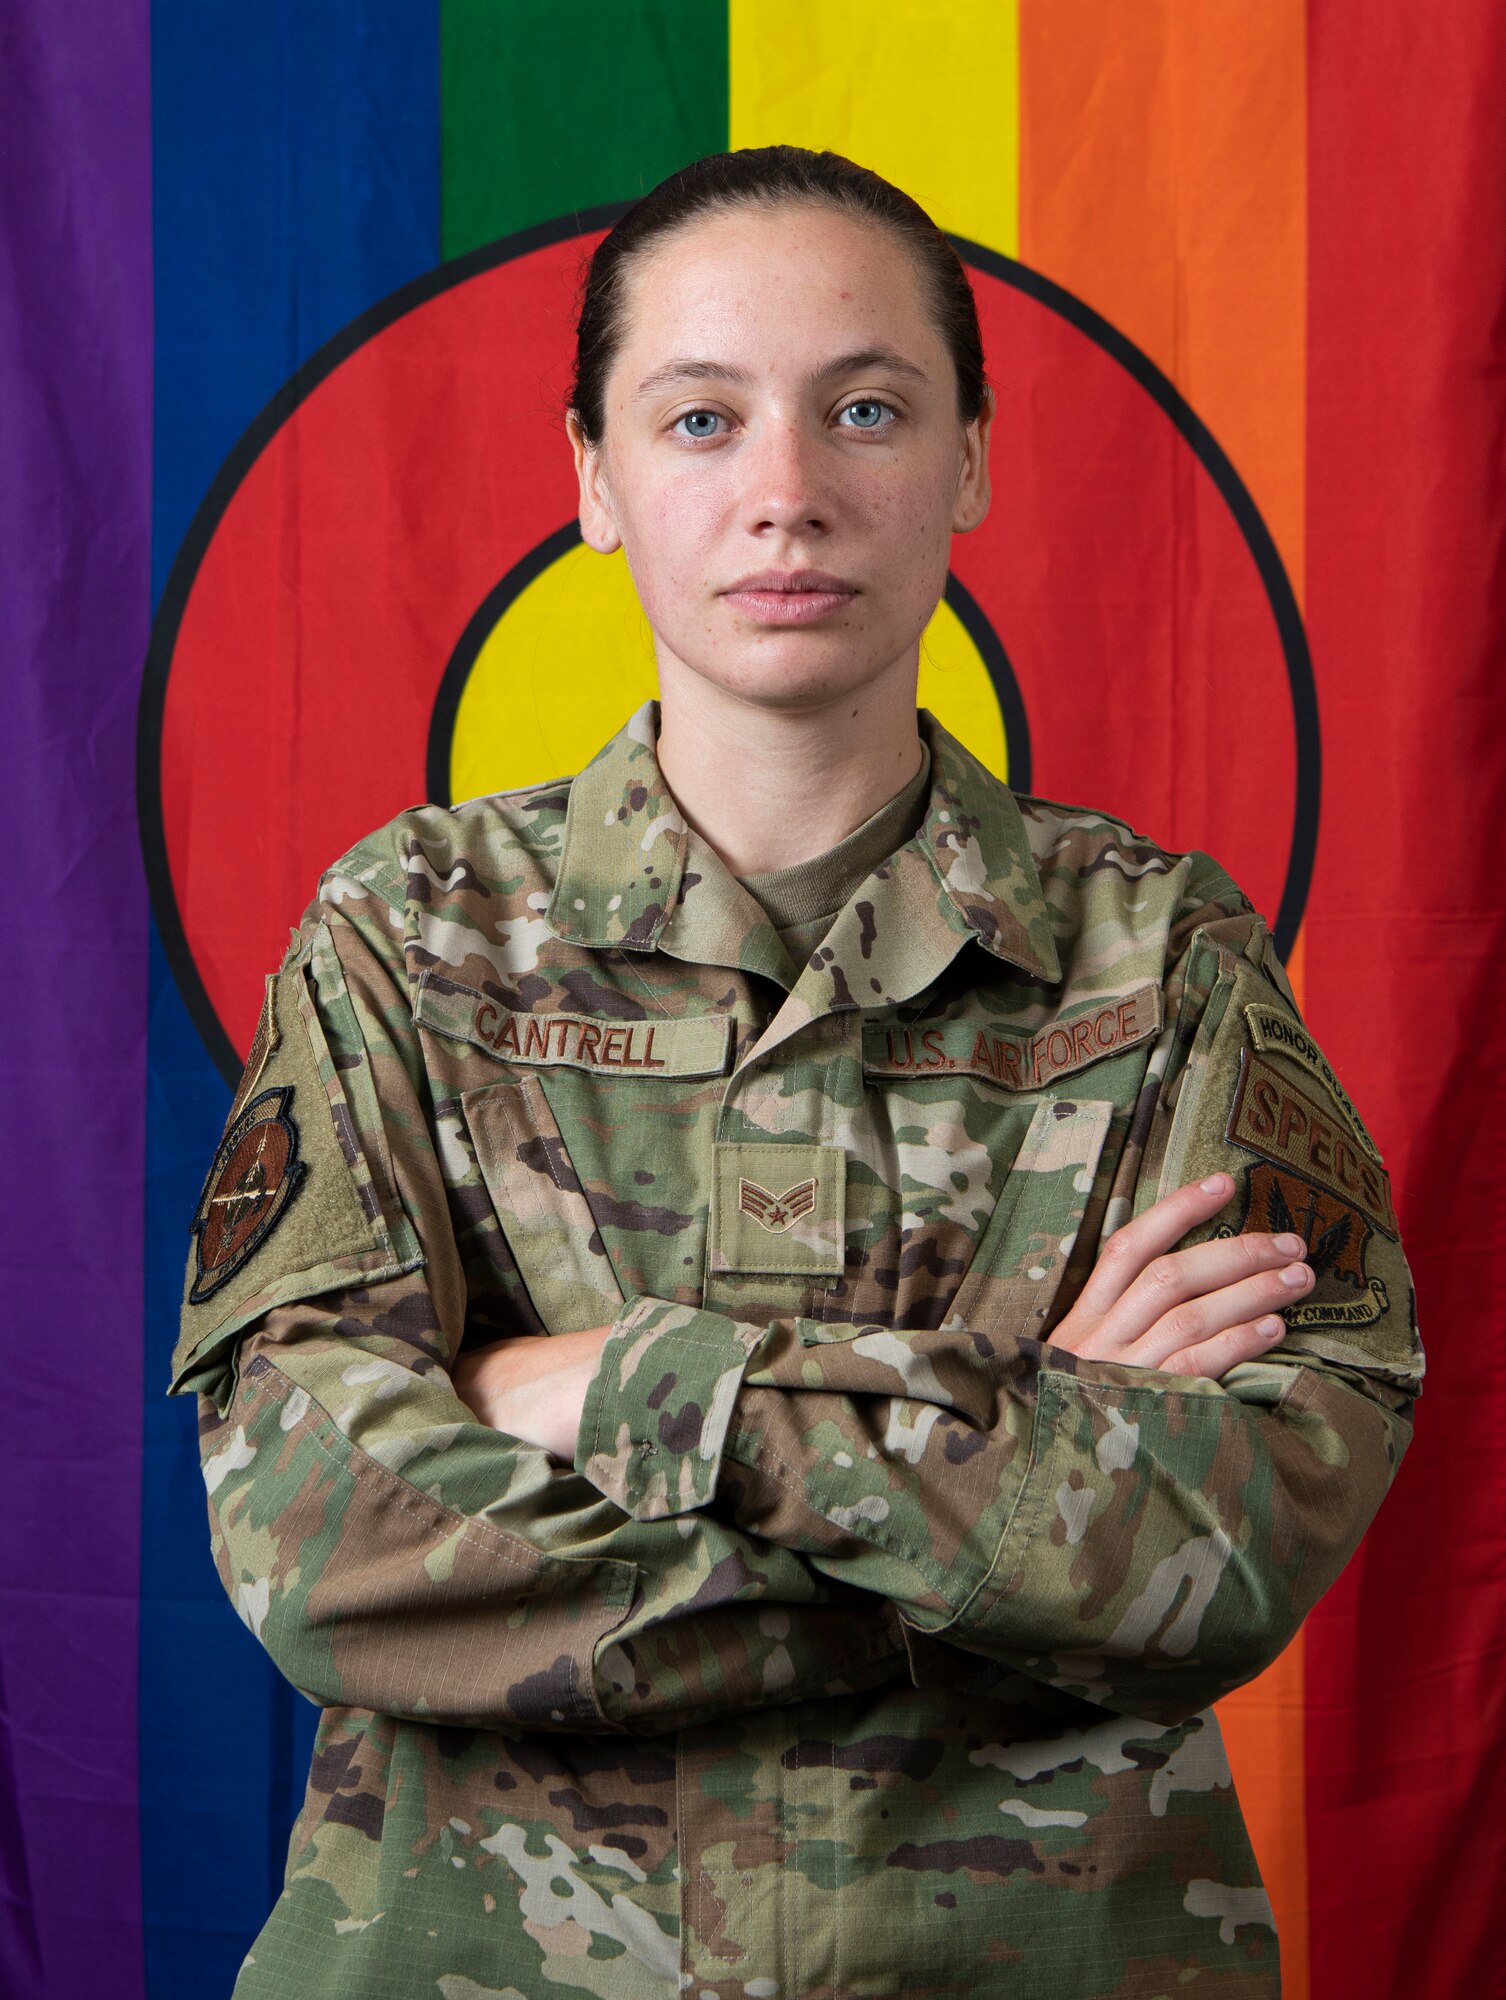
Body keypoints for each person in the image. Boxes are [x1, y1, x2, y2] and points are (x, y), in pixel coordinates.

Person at [171, 146, 1422, 2000]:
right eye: (698, 420)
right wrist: (1010, 1465)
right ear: (592, 481)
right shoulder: (405, 936)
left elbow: (1231, 1534)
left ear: (970, 462)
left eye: (864, 408)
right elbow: (318, 1537)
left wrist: (621, 1385)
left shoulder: (1157, 954)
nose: (786, 494)